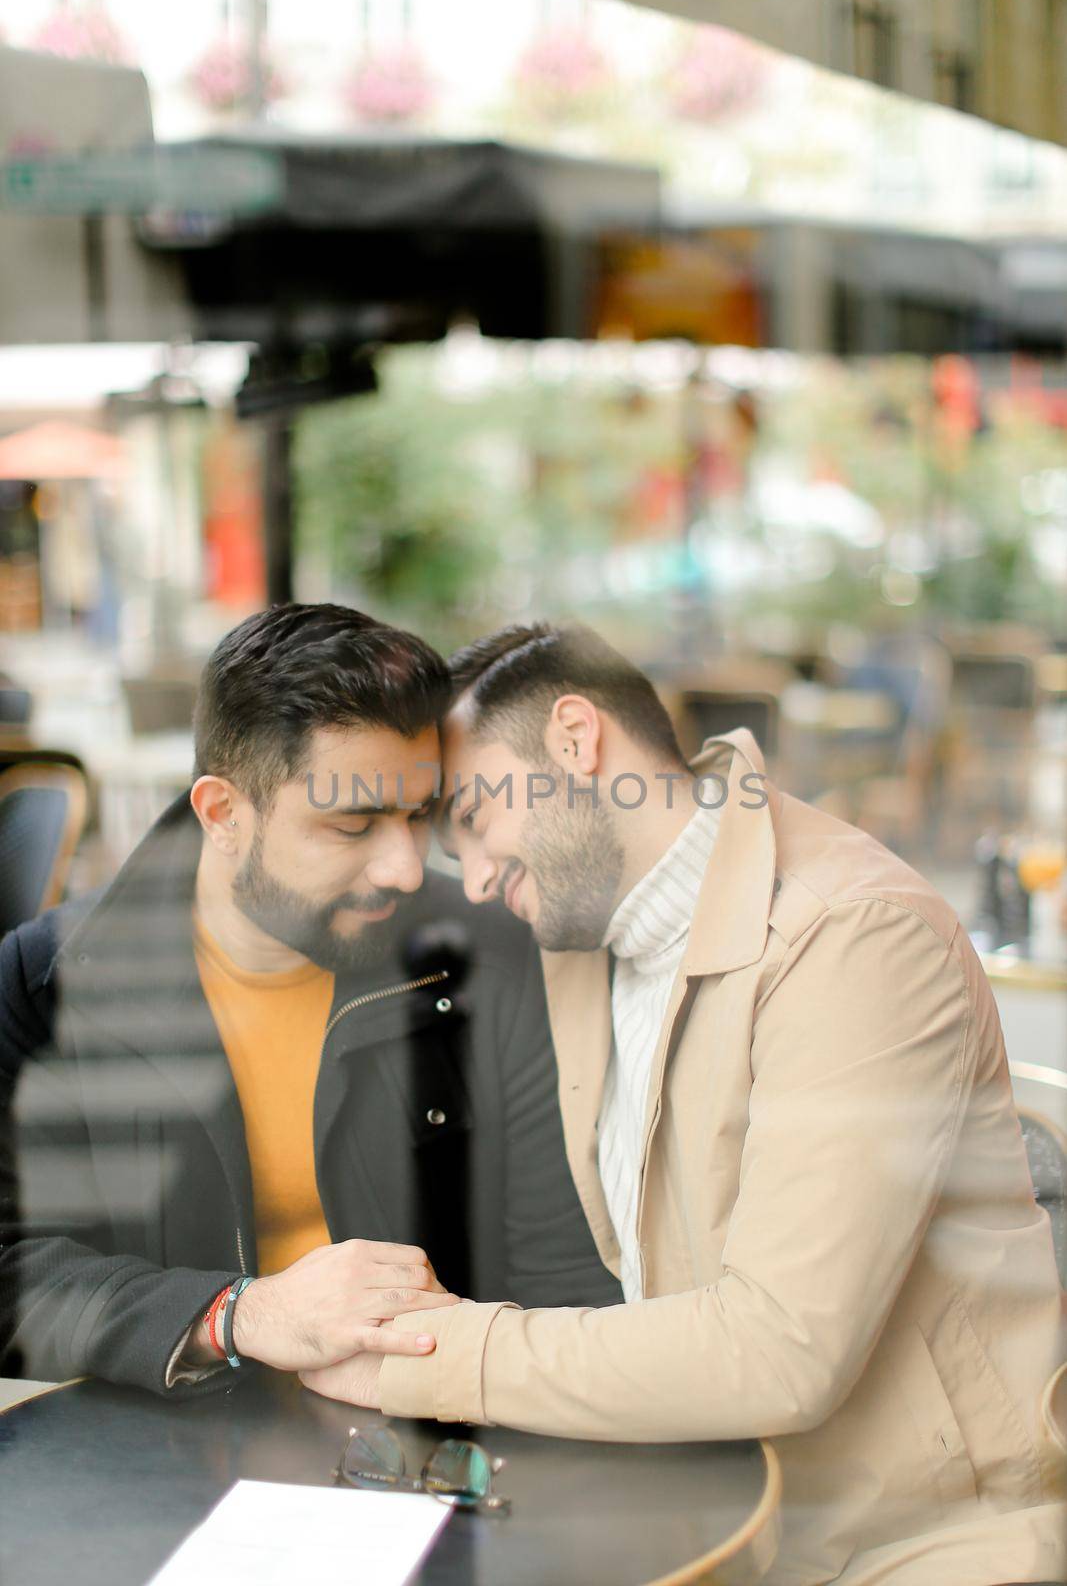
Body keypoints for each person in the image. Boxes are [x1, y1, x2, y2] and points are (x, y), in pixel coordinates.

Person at [300, 621, 1066, 1586]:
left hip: (909, 1540)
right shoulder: (583, 933)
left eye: (474, 820)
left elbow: (783, 1350)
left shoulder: (854, 937)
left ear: (575, 741)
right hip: (700, 1507)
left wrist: (423, 1353)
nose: (480, 881)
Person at [0, 605, 618, 1396]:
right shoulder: (48, 978)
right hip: (157, 1456)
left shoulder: (488, 957)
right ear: (224, 815)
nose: (403, 867)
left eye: (418, 814)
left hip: (446, 1431)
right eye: (352, 825)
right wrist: (235, 1315)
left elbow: (565, 1275)